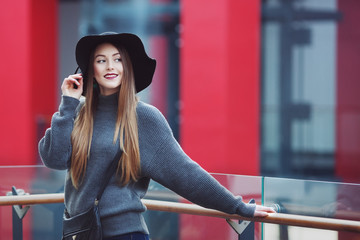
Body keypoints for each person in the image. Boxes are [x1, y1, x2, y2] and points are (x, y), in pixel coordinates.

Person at [38, 32, 275, 240]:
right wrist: (68, 104)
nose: (110, 66)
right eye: (101, 60)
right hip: (81, 232)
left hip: (124, 234)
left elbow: (184, 173)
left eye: (118, 59)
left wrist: (237, 206)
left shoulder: (143, 117)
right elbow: (54, 159)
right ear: (91, 70)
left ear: (127, 67)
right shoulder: (77, 112)